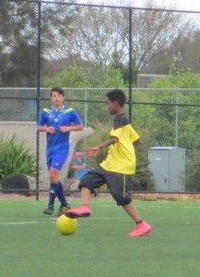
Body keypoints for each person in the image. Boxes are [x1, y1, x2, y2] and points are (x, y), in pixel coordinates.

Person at [65, 89, 152, 238]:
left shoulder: (121, 119)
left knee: (121, 198)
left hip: (119, 166)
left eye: (108, 104)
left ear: (116, 103)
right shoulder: (124, 122)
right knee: (87, 181)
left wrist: (99, 147)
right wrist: (131, 148)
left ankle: (141, 224)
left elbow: (115, 139)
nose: (107, 107)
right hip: (109, 164)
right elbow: (136, 139)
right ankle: (85, 207)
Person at [37, 87, 84, 216]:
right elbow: (38, 127)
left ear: (62, 97)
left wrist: (68, 128)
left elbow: (80, 126)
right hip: (50, 149)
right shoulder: (46, 111)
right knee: (54, 177)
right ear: (51, 98)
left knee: (53, 174)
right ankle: (64, 204)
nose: (56, 98)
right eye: (54, 96)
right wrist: (46, 129)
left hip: (62, 148)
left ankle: (50, 206)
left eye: (58, 96)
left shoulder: (70, 111)